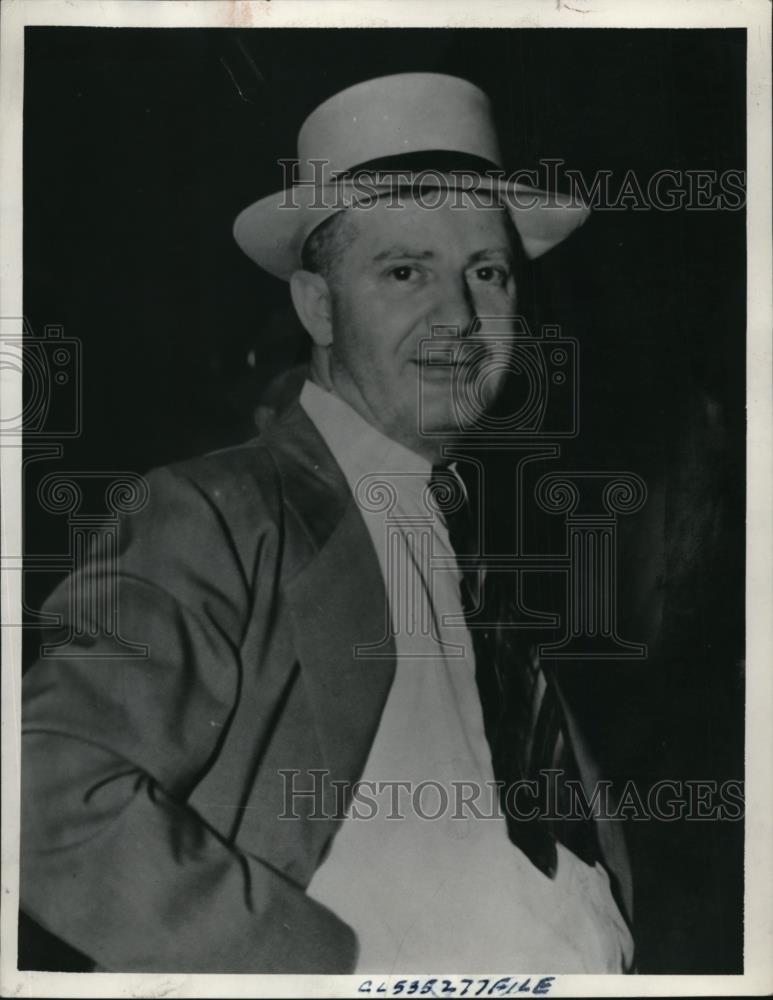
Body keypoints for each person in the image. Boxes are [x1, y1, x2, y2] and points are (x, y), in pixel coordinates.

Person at [20, 73, 634, 973]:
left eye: (487, 272)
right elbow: (40, 797)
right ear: (317, 307)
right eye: (403, 270)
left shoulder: (469, 544)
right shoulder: (216, 515)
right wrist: (321, 970)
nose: (460, 318)